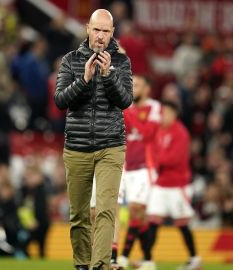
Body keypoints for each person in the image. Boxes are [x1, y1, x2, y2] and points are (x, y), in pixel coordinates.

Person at [54, 8, 133, 270]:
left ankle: (100, 265)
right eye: (96, 29)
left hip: (111, 145)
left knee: (106, 209)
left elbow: (125, 101)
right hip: (77, 147)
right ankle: (81, 265)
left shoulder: (121, 63)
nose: (100, 36)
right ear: (88, 28)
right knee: (78, 215)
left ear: (112, 33)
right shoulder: (70, 61)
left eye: (105, 31)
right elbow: (60, 101)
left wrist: (109, 75)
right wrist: (85, 80)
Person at [142, 101, 201, 270]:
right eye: (161, 113)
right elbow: (150, 151)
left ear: (174, 114)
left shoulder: (180, 132)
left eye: (166, 113)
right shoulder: (158, 130)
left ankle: (194, 258)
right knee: (153, 221)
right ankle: (148, 260)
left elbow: (173, 159)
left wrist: (154, 160)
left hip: (177, 185)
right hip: (160, 185)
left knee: (182, 223)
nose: (162, 116)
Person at [116, 75, 161, 269]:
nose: (132, 88)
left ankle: (124, 257)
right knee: (138, 215)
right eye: (131, 84)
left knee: (136, 209)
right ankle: (148, 260)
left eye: (137, 85)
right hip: (128, 166)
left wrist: (129, 114)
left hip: (146, 166)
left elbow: (148, 133)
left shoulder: (154, 108)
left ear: (147, 89)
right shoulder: (128, 109)